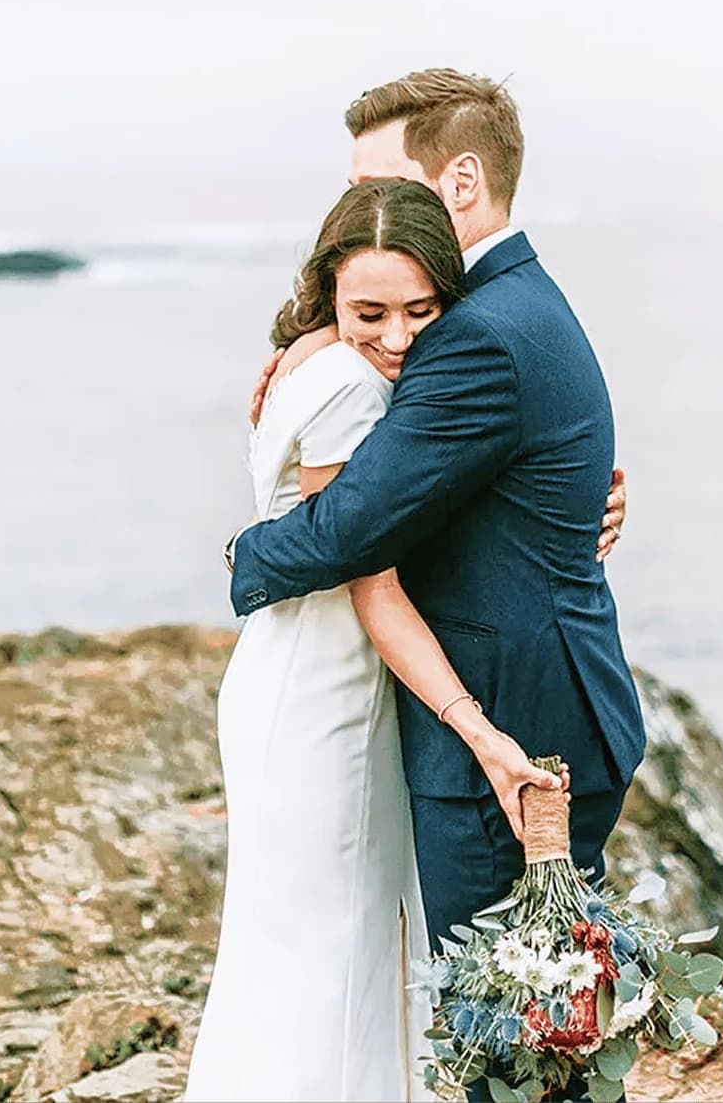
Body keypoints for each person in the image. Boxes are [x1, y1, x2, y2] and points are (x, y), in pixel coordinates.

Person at [224, 69, 647, 1103]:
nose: (369, 208)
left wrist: (244, 557)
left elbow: (347, 532)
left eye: (380, 183)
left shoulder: (477, 334)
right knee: (522, 1023)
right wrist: (321, 335)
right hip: (535, 691)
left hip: (512, 715)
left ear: (459, 181)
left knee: (512, 1039)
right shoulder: (507, 303)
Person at [184, 178, 560, 1102]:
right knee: (336, 953)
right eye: (370, 313)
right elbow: (372, 584)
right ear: (330, 293)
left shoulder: (312, 357)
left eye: (421, 311)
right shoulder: (351, 385)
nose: (396, 339)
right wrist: (480, 732)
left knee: (291, 948)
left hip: (287, 673)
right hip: (328, 693)